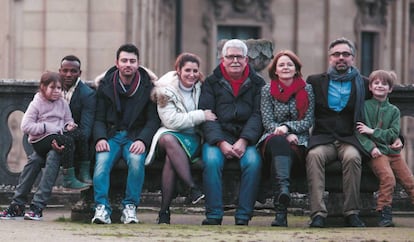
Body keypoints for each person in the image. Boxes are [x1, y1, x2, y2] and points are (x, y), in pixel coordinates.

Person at [305, 37, 402, 228]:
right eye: (336, 54)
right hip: (323, 138)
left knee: (352, 157)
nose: (341, 57)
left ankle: (351, 213)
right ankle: (318, 214)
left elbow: (382, 109)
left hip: (351, 138)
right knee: (313, 156)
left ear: (353, 58)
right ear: (330, 58)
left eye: (346, 54)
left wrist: (399, 137)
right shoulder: (315, 81)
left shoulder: (365, 83)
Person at [91, 43, 160, 224]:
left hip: (134, 137)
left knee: (137, 162)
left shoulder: (148, 87)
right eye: (124, 61)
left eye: (132, 61)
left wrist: (143, 140)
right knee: (101, 163)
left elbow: (153, 120)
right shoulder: (106, 85)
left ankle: (130, 207)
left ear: (138, 64)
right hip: (111, 136)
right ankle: (101, 208)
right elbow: (98, 118)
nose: (128, 64)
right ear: (117, 63)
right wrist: (100, 138)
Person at [198, 39, 265, 226]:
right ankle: (214, 215)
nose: (235, 60)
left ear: (246, 60)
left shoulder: (258, 83)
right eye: (230, 56)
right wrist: (220, 142)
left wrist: (244, 140)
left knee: (253, 162)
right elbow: (207, 115)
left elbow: (258, 115)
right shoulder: (211, 82)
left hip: (247, 138)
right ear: (222, 59)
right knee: (211, 162)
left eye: (239, 57)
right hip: (218, 137)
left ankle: (243, 216)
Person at [146, 53, 217, 224]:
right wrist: (201, 115)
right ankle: (192, 187)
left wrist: (198, 118)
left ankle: (164, 212)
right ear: (178, 70)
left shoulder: (203, 87)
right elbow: (171, 121)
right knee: (169, 140)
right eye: (187, 70)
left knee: (172, 161)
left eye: (195, 71)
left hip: (193, 137)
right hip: (170, 133)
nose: (191, 74)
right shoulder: (164, 90)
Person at [258, 50, 314, 227]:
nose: (285, 67)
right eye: (281, 65)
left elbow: (307, 120)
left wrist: (289, 128)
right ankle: (283, 190)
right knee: (277, 141)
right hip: (272, 138)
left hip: (299, 141)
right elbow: (267, 121)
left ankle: (281, 211)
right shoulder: (267, 90)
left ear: (296, 68)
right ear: (275, 70)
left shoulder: (307, 89)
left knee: (282, 150)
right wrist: (284, 133)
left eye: (290, 64)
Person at [356, 70, 414, 227]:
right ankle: (383, 212)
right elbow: (359, 133)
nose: (380, 86)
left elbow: (393, 133)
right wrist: (371, 147)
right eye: (376, 83)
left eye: (384, 84)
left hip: (394, 154)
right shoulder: (364, 107)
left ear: (390, 89)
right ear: (370, 87)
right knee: (388, 178)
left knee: (409, 181)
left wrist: (372, 131)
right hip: (377, 153)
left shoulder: (394, 111)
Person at [20, 71, 89, 190]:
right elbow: (25, 126)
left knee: (81, 135)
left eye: (59, 88)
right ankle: (68, 178)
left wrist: (69, 125)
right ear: (43, 87)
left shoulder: (62, 102)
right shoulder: (36, 104)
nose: (57, 91)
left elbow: (68, 119)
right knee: (68, 141)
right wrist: (46, 127)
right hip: (40, 140)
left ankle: (84, 171)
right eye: (52, 87)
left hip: (58, 133)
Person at [59, 55, 96, 185]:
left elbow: (86, 130)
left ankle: (80, 174)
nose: (68, 74)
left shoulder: (87, 94)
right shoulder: (53, 90)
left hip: (75, 141)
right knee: (38, 160)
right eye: (65, 70)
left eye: (73, 71)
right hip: (51, 133)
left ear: (79, 73)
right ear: (60, 71)